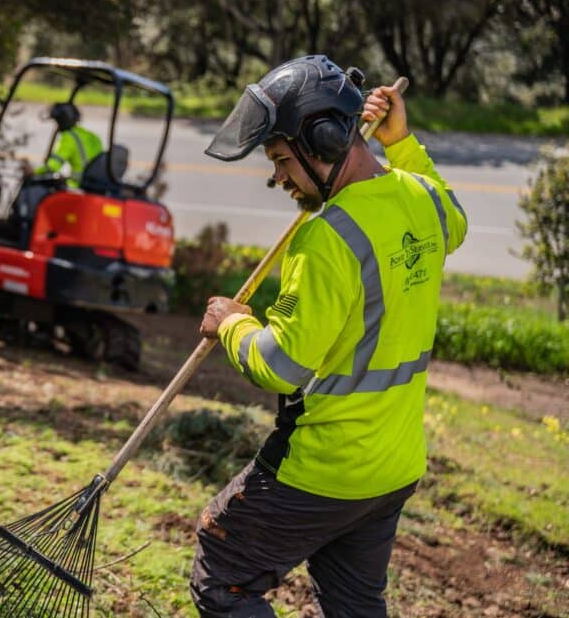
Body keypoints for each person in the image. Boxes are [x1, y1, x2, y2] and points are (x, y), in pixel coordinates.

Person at [191, 55, 468, 617]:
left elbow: (282, 364)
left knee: (222, 578)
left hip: (324, 467)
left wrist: (232, 323)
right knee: (353, 604)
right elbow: (453, 218)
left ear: (322, 140)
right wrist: (403, 141)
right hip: (393, 468)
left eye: (281, 160)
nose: (278, 178)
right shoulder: (424, 199)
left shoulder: (326, 238)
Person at [31, 102, 103, 187]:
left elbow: (53, 166)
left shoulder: (69, 137)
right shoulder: (92, 136)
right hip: (94, 184)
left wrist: (33, 172)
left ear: (60, 122)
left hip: (78, 185)